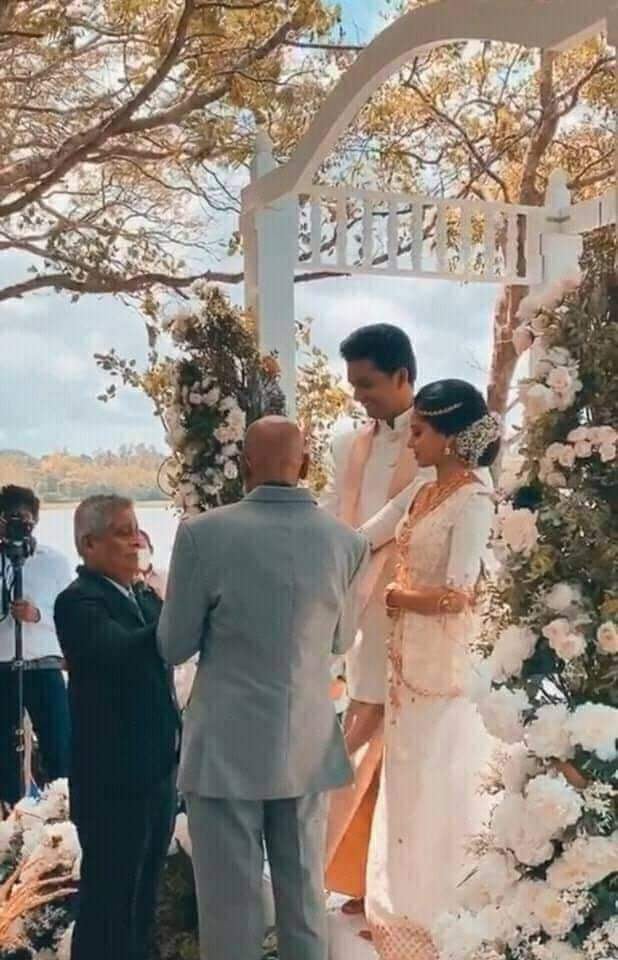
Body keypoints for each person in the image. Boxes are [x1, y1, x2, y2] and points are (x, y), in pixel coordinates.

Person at [158, 416, 369, 960]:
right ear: (305, 464)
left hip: (224, 745)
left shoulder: (203, 534)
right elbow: (341, 638)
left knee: (230, 907)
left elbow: (173, 645)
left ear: (244, 463)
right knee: (305, 899)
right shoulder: (346, 542)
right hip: (305, 742)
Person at [363, 380, 500, 959]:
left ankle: (441, 916)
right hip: (405, 663)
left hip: (443, 669)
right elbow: (370, 536)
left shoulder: (474, 502)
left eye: (418, 431)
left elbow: (460, 593)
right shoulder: (424, 491)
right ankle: (405, 906)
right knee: (407, 779)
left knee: (441, 781)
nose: (410, 441)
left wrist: (399, 597)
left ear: (449, 436)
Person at [54, 495, 180, 960]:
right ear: (89, 544)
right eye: (123, 533)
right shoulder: (78, 601)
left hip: (156, 773)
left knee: (143, 900)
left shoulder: (141, 596)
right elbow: (119, 651)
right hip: (112, 782)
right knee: (109, 903)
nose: (135, 542)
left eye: (137, 531)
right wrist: (178, 617)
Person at [320, 324, 419, 910]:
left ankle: (395, 887)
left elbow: (408, 516)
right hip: (357, 612)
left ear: (402, 375)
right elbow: (334, 512)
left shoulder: (439, 439)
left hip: (411, 616)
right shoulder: (348, 445)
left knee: (401, 747)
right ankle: (353, 878)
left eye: (367, 384)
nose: (358, 396)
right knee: (359, 739)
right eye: (353, 385)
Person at [0, 485, 72, 809]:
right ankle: (10, 818)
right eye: (10, 518)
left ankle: (63, 818)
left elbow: (71, 616)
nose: (18, 525)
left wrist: (37, 614)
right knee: (5, 754)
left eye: (25, 519)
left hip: (44, 666)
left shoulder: (54, 562)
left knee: (60, 748)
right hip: (3, 668)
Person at [136, 528, 167, 599]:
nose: (136, 551)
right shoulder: (122, 583)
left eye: (141, 546)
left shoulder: (166, 578)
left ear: (151, 550)